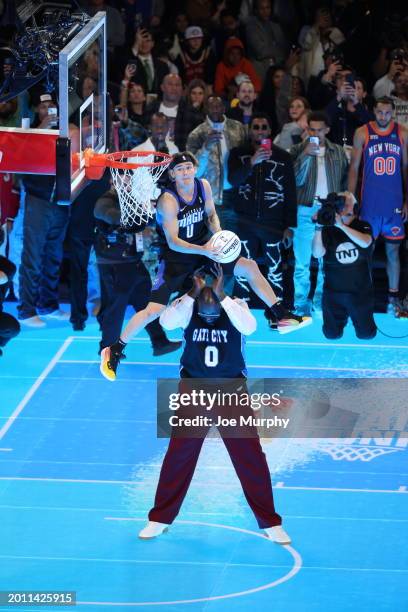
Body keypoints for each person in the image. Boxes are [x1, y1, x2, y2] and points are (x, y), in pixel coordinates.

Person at [100, 152, 310, 381]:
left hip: (205, 249)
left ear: (195, 169)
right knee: (153, 310)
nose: (185, 172)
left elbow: (210, 214)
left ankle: (280, 315)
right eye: (180, 169)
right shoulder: (167, 201)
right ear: (172, 174)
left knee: (249, 266)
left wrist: (218, 236)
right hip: (175, 260)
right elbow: (173, 242)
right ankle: (115, 349)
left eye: (189, 167)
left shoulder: (204, 186)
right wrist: (205, 250)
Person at [138, 264, 291, 544]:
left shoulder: (237, 307)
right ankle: (159, 518)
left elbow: (251, 326)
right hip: (193, 391)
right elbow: (165, 323)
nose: (208, 316)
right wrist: (190, 294)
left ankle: (270, 522)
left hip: (231, 392)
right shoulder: (187, 308)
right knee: (179, 456)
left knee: (250, 457)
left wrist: (223, 298)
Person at [94, 189, 181, 357]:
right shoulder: (104, 200)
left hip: (133, 261)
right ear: (113, 180)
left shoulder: (133, 199)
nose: (127, 181)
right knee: (115, 308)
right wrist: (141, 215)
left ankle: (159, 341)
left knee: (146, 302)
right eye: (122, 177)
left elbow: (146, 220)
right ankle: (108, 349)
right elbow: (108, 214)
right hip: (115, 264)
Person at [228, 113, 297, 313]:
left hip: (273, 224)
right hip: (245, 222)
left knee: (275, 270)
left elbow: (290, 192)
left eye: (263, 127)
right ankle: (240, 311)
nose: (260, 131)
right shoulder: (238, 154)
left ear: (269, 131)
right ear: (250, 131)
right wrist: (251, 162)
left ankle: (277, 314)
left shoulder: (283, 157)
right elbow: (233, 180)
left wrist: (289, 226)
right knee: (242, 268)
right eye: (256, 127)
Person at [348, 97, 408, 316]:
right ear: (374, 111)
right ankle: (365, 297)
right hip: (369, 205)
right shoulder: (362, 132)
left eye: (387, 113)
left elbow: (406, 169)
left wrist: (407, 200)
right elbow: (354, 167)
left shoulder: (402, 133)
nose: (383, 116)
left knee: (394, 252)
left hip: (393, 206)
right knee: (367, 252)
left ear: (393, 112)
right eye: (380, 112)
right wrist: (350, 198)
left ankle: (393, 300)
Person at [290, 111, 349, 316]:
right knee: (302, 262)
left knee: (327, 261)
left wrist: (343, 207)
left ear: (327, 130)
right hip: (305, 209)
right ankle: (300, 304)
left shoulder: (339, 152)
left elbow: (344, 182)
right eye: (311, 129)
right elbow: (294, 180)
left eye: (319, 130)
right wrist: (306, 154)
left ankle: (321, 301)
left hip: (329, 211)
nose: (315, 133)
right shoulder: (298, 149)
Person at [312, 191, 376, 340]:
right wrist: (318, 228)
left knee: (367, 334)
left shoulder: (362, 225)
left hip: (359, 292)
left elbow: (366, 242)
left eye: (345, 204)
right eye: (339, 204)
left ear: (354, 208)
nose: (341, 207)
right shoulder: (327, 228)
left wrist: (341, 226)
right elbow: (317, 253)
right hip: (334, 293)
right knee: (331, 334)